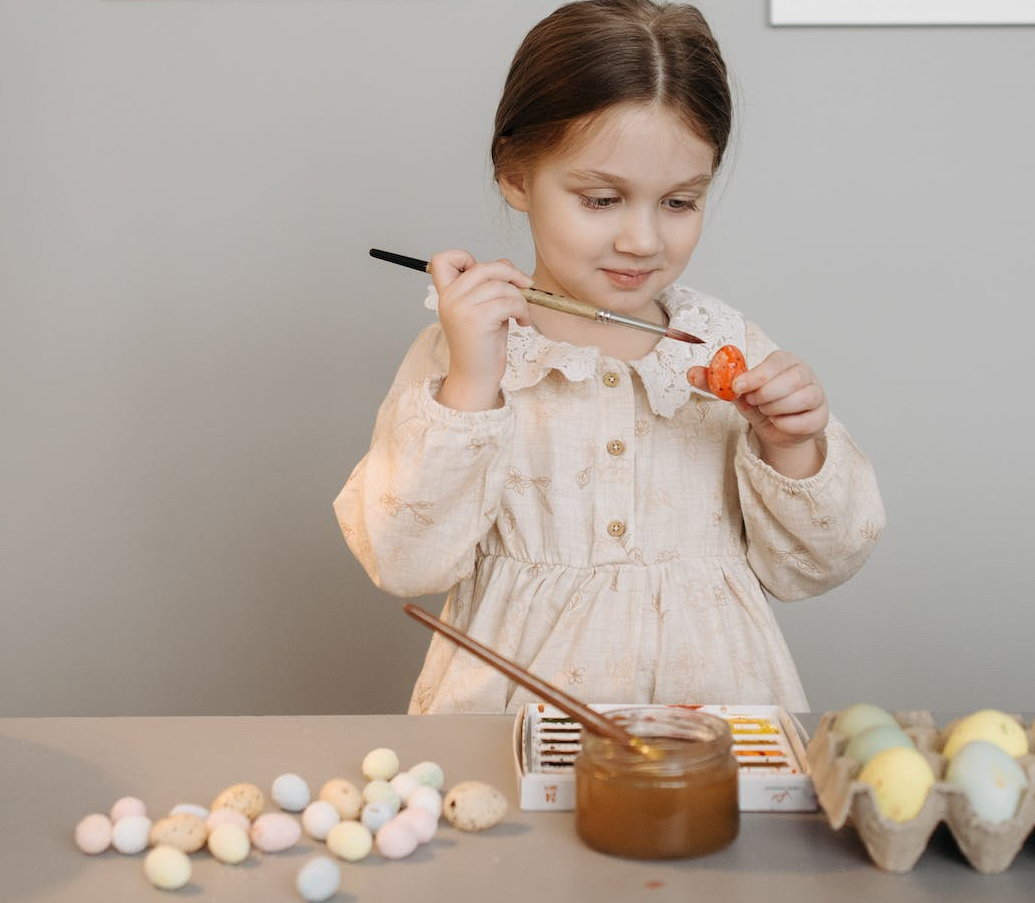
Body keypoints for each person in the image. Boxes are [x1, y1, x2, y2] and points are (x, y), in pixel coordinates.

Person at [335, 0, 885, 714]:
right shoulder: (467, 349)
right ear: (515, 174)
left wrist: (791, 448)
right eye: (601, 199)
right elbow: (404, 560)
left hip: (710, 721)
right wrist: (473, 381)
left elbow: (821, 563)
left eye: (679, 202)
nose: (641, 240)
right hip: (511, 727)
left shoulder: (726, 345)